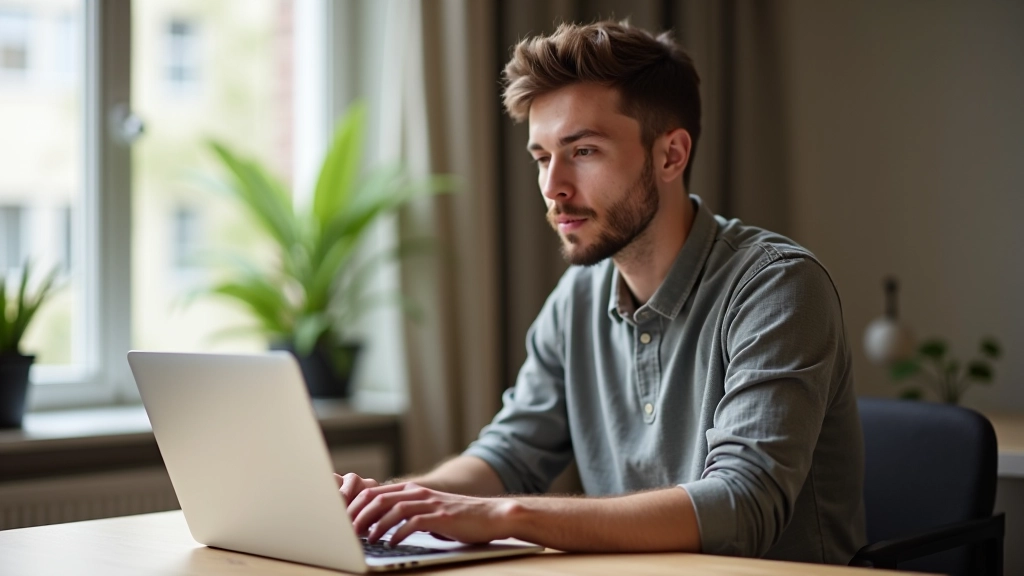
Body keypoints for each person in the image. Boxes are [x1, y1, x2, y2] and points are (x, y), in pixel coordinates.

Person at [337, 20, 866, 564]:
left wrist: (506, 516)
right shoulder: (577, 298)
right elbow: (509, 454)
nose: (553, 187)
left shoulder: (777, 286)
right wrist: (398, 504)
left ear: (670, 156)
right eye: (542, 157)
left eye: (583, 151)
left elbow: (742, 506)